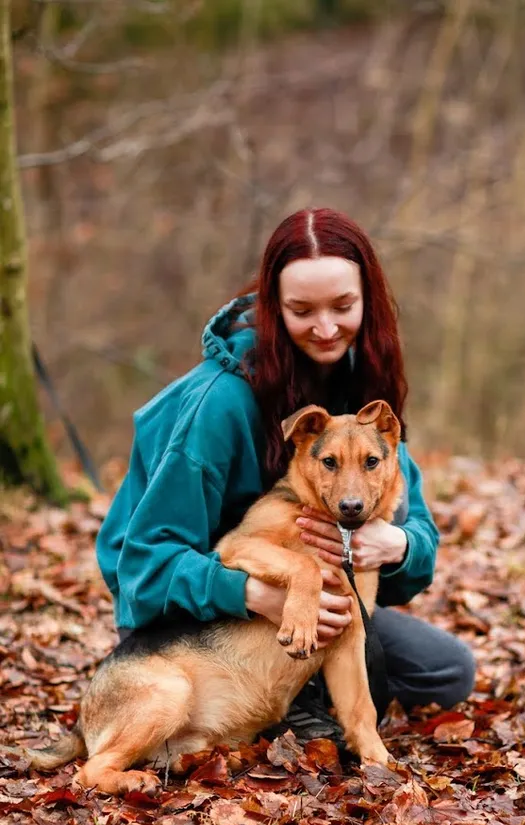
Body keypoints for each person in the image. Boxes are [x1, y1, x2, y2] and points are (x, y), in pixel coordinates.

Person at [96, 208, 475, 741]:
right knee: (313, 707)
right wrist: (258, 595)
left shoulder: (363, 388)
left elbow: (418, 544)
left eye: (343, 306)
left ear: (368, 301)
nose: (326, 328)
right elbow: (142, 567)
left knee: (446, 670)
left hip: (313, 595)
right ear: (275, 307)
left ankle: (309, 691)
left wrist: (397, 546)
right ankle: (271, 700)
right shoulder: (217, 403)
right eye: (302, 310)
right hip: (196, 616)